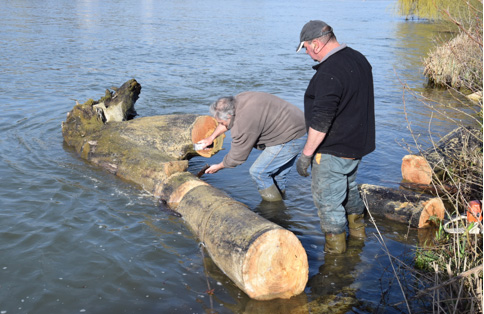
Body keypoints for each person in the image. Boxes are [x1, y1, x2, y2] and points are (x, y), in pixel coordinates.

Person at [295, 20, 375, 254]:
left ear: (316, 44)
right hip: (356, 146)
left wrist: (306, 154)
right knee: (349, 191)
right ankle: (359, 237)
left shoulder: (329, 72)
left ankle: (337, 260)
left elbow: (321, 121)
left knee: (328, 203)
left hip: (333, 149)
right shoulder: (359, 59)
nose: (308, 55)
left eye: (307, 49)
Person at [197, 91, 306, 202]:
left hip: (291, 136)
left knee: (258, 172)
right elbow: (226, 123)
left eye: (221, 122)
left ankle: (274, 209)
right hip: (300, 125)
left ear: (229, 115)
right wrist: (211, 138)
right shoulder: (238, 100)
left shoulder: (243, 123)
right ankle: (283, 204)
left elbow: (237, 157)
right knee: (277, 176)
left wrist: (219, 166)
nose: (221, 124)